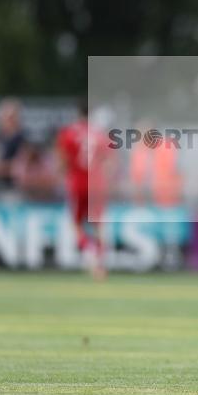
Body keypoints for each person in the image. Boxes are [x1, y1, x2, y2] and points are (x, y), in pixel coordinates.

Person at [56, 101, 112, 280]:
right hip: (97, 184)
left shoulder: (67, 133)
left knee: (76, 224)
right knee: (98, 225)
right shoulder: (100, 134)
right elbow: (108, 161)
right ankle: (100, 263)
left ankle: (90, 252)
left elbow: (63, 162)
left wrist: (63, 175)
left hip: (78, 183)